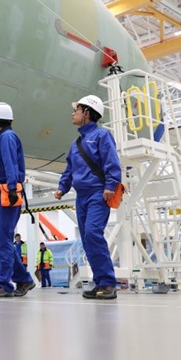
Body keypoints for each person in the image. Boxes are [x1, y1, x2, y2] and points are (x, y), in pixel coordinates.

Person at [54, 95, 121, 300]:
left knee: (93, 234)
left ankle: (108, 282)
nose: (73, 113)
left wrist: (111, 184)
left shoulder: (102, 135)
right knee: (87, 239)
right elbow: (69, 169)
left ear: (87, 113)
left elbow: (111, 161)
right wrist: (62, 188)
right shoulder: (77, 143)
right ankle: (100, 281)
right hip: (81, 197)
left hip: (98, 194)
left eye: (77, 109)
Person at [0, 102, 36, 298]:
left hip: (6, 192)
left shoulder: (6, 138)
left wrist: (13, 188)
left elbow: (10, 163)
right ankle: (23, 279)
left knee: (3, 239)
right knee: (0, 239)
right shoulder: (3, 138)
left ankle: (3, 284)